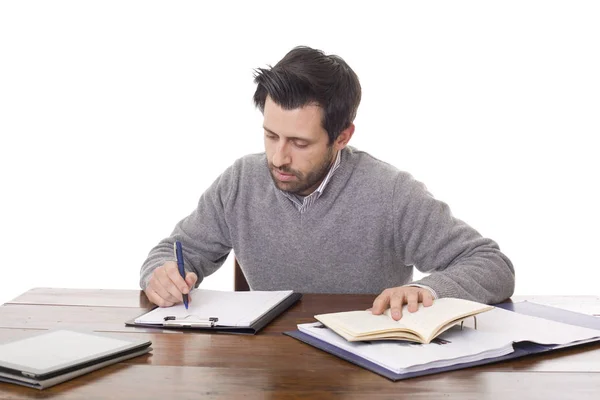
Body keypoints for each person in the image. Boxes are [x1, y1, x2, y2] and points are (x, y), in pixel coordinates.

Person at [140, 46, 515, 320]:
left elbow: (491, 265)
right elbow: (175, 252)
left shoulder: (389, 192)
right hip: (269, 366)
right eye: (271, 135)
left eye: (299, 143)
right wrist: (160, 275)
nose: (278, 158)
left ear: (342, 136)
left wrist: (425, 290)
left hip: (368, 368)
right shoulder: (240, 182)